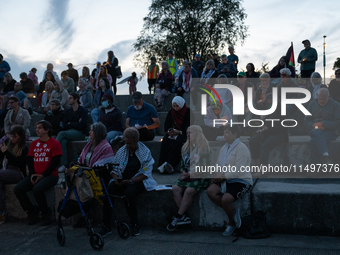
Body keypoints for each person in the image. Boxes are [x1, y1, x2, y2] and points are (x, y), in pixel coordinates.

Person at [100, 127, 157, 237]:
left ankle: (134, 223)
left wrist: (130, 180)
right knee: (109, 192)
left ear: (136, 141)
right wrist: (116, 178)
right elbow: (114, 168)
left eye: (130, 143)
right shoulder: (122, 150)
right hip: (122, 179)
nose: (128, 146)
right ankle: (106, 225)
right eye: (126, 143)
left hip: (138, 180)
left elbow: (146, 173)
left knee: (128, 194)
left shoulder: (145, 152)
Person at [207, 126, 253, 236]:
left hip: (240, 179)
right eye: (224, 132)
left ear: (235, 134)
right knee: (210, 191)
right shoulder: (224, 148)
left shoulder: (242, 147)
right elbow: (218, 164)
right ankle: (233, 212)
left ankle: (231, 223)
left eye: (227, 132)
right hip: (224, 177)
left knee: (226, 199)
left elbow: (240, 169)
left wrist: (223, 176)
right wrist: (217, 173)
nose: (225, 134)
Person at [14, 120, 62, 226]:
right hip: (35, 174)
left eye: (40, 128)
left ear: (47, 130)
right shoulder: (34, 143)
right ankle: (31, 210)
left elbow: (55, 163)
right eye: (36, 128)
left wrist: (43, 175)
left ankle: (45, 212)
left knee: (37, 189)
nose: (37, 130)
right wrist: (32, 174)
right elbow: (30, 160)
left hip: (50, 175)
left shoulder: (55, 143)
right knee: (18, 188)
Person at [166, 125, 211, 231]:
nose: (188, 135)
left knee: (189, 191)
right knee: (175, 188)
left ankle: (177, 216)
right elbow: (182, 164)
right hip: (188, 175)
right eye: (187, 133)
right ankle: (184, 215)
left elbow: (204, 167)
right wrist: (184, 172)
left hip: (201, 176)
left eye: (191, 133)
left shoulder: (204, 148)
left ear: (198, 134)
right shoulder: (186, 147)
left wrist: (190, 175)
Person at [249, 93, 288, 166]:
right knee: (253, 141)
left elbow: (284, 125)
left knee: (264, 146)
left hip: (279, 133)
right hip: (267, 132)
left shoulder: (282, 110)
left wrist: (269, 128)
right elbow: (264, 122)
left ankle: (263, 170)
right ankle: (258, 166)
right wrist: (261, 129)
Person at [0, 125, 28, 224]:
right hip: (6, 170)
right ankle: (1, 212)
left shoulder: (24, 148)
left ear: (20, 137)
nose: (12, 139)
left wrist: (6, 153)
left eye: (15, 137)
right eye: (11, 136)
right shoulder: (8, 145)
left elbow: (18, 163)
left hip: (17, 172)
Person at [304, 88, 340, 164]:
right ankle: (325, 155)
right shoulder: (312, 104)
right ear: (317, 96)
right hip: (314, 130)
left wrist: (324, 124)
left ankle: (316, 167)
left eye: (324, 99)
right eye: (319, 99)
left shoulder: (336, 105)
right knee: (317, 132)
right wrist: (313, 125)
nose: (321, 101)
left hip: (330, 132)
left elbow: (337, 123)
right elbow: (306, 120)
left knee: (314, 141)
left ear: (329, 96)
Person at [158, 96, 192, 174]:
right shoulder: (171, 112)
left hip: (183, 133)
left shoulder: (187, 112)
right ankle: (161, 165)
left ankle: (169, 164)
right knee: (165, 140)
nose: (175, 108)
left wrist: (179, 132)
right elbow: (166, 125)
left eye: (177, 106)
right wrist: (169, 131)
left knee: (179, 142)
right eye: (174, 106)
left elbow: (189, 125)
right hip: (173, 133)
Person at [57, 93, 87, 168]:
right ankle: (64, 164)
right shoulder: (67, 112)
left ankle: (51, 149)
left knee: (61, 134)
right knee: (63, 142)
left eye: (70, 98)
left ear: (76, 99)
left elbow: (81, 125)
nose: (68, 99)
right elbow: (65, 125)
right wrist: (75, 123)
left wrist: (70, 123)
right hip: (69, 132)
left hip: (80, 133)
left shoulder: (82, 111)